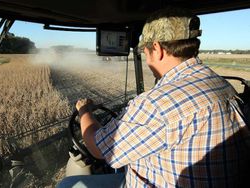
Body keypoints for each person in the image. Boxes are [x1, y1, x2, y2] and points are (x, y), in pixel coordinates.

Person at [61, 7, 250, 187]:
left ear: (157, 49)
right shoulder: (222, 85)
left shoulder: (157, 104)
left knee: (67, 184)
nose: (147, 58)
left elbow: (98, 148)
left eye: (145, 51)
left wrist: (84, 110)